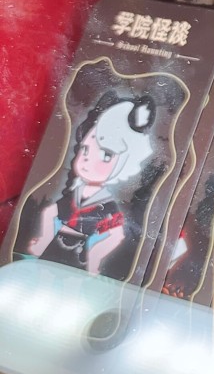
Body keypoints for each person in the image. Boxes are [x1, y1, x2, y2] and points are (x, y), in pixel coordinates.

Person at [24, 95, 156, 275]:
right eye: (85, 149)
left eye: (106, 155)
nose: (87, 159)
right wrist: (43, 240)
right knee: (43, 275)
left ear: (124, 164)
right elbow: (52, 212)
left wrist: (95, 256)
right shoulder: (75, 193)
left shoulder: (107, 205)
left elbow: (117, 235)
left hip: (79, 256)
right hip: (55, 248)